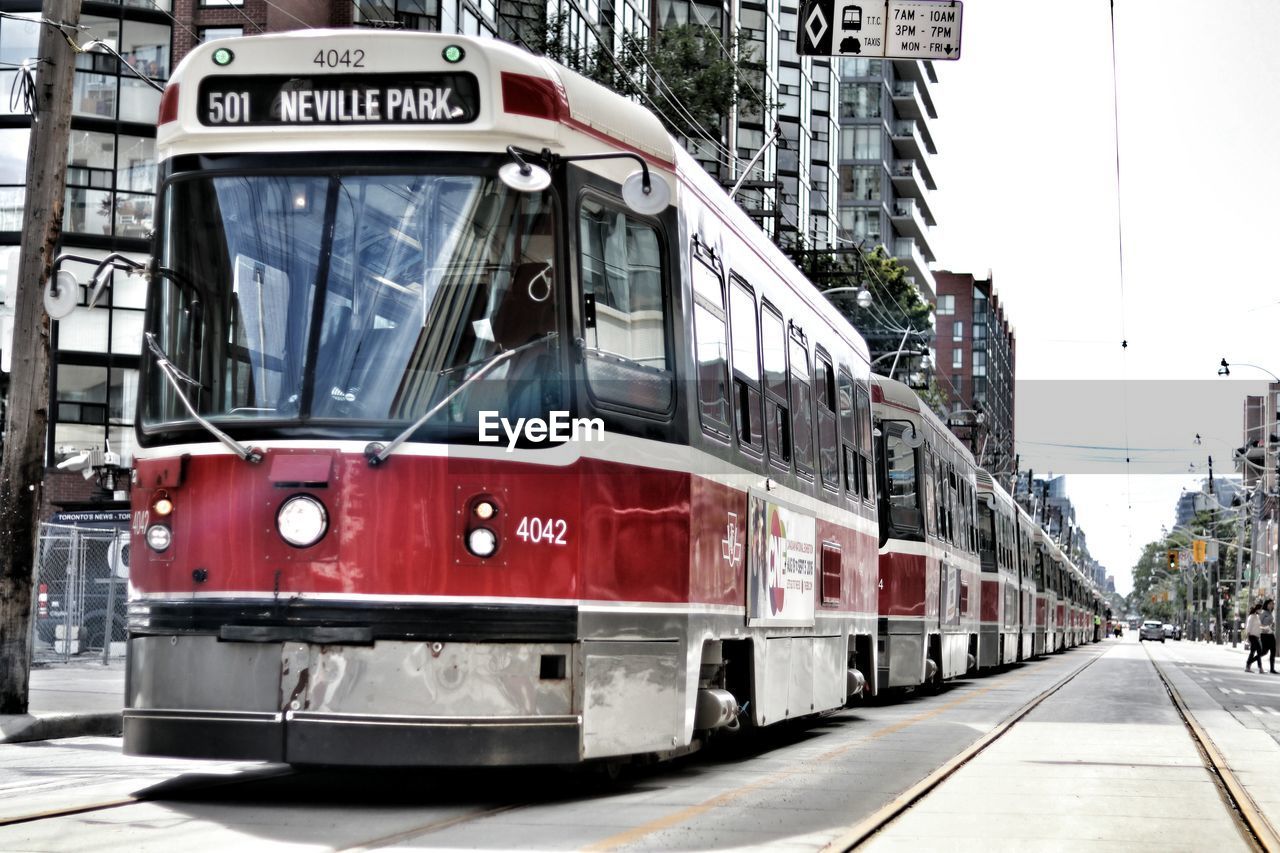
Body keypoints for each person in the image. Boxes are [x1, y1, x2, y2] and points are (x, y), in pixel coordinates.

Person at [1246, 604, 1264, 673]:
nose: (1261, 611)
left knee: (1253, 652)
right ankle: (1259, 668)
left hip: (1256, 637)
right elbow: (1248, 627)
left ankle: (1249, 666)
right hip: (1252, 636)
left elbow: (1259, 627)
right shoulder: (1252, 616)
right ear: (1257, 609)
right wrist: (1248, 638)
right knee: (1259, 651)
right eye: (1260, 609)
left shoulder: (1257, 617)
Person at [1263, 599, 1277, 673]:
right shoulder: (1263, 613)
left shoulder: (1271, 612)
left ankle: (1272, 669)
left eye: (1273, 604)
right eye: (1271, 604)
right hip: (1265, 634)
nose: (1272, 605)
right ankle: (1249, 662)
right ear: (1267, 605)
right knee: (1264, 652)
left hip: (1271, 634)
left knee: (1273, 651)